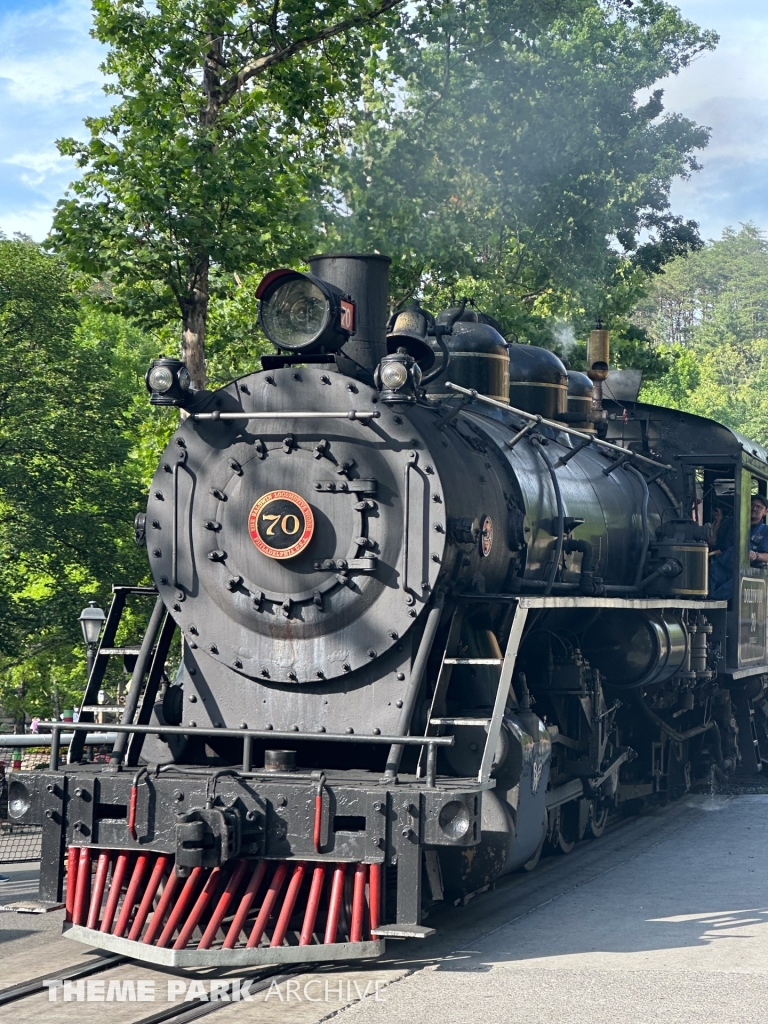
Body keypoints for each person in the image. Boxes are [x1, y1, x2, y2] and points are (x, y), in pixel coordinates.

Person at [709, 494, 768, 600]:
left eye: (759, 507)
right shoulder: (730, 523)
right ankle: (702, 604)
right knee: (710, 572)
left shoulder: (766, 531)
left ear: (765, 512)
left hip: (747, 570)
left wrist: (756, 555)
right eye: (752, 505)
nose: (754, 508)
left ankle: (714, 602)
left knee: (738, 581)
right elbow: (712, 543)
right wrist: (717, 521)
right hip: (722, 567)